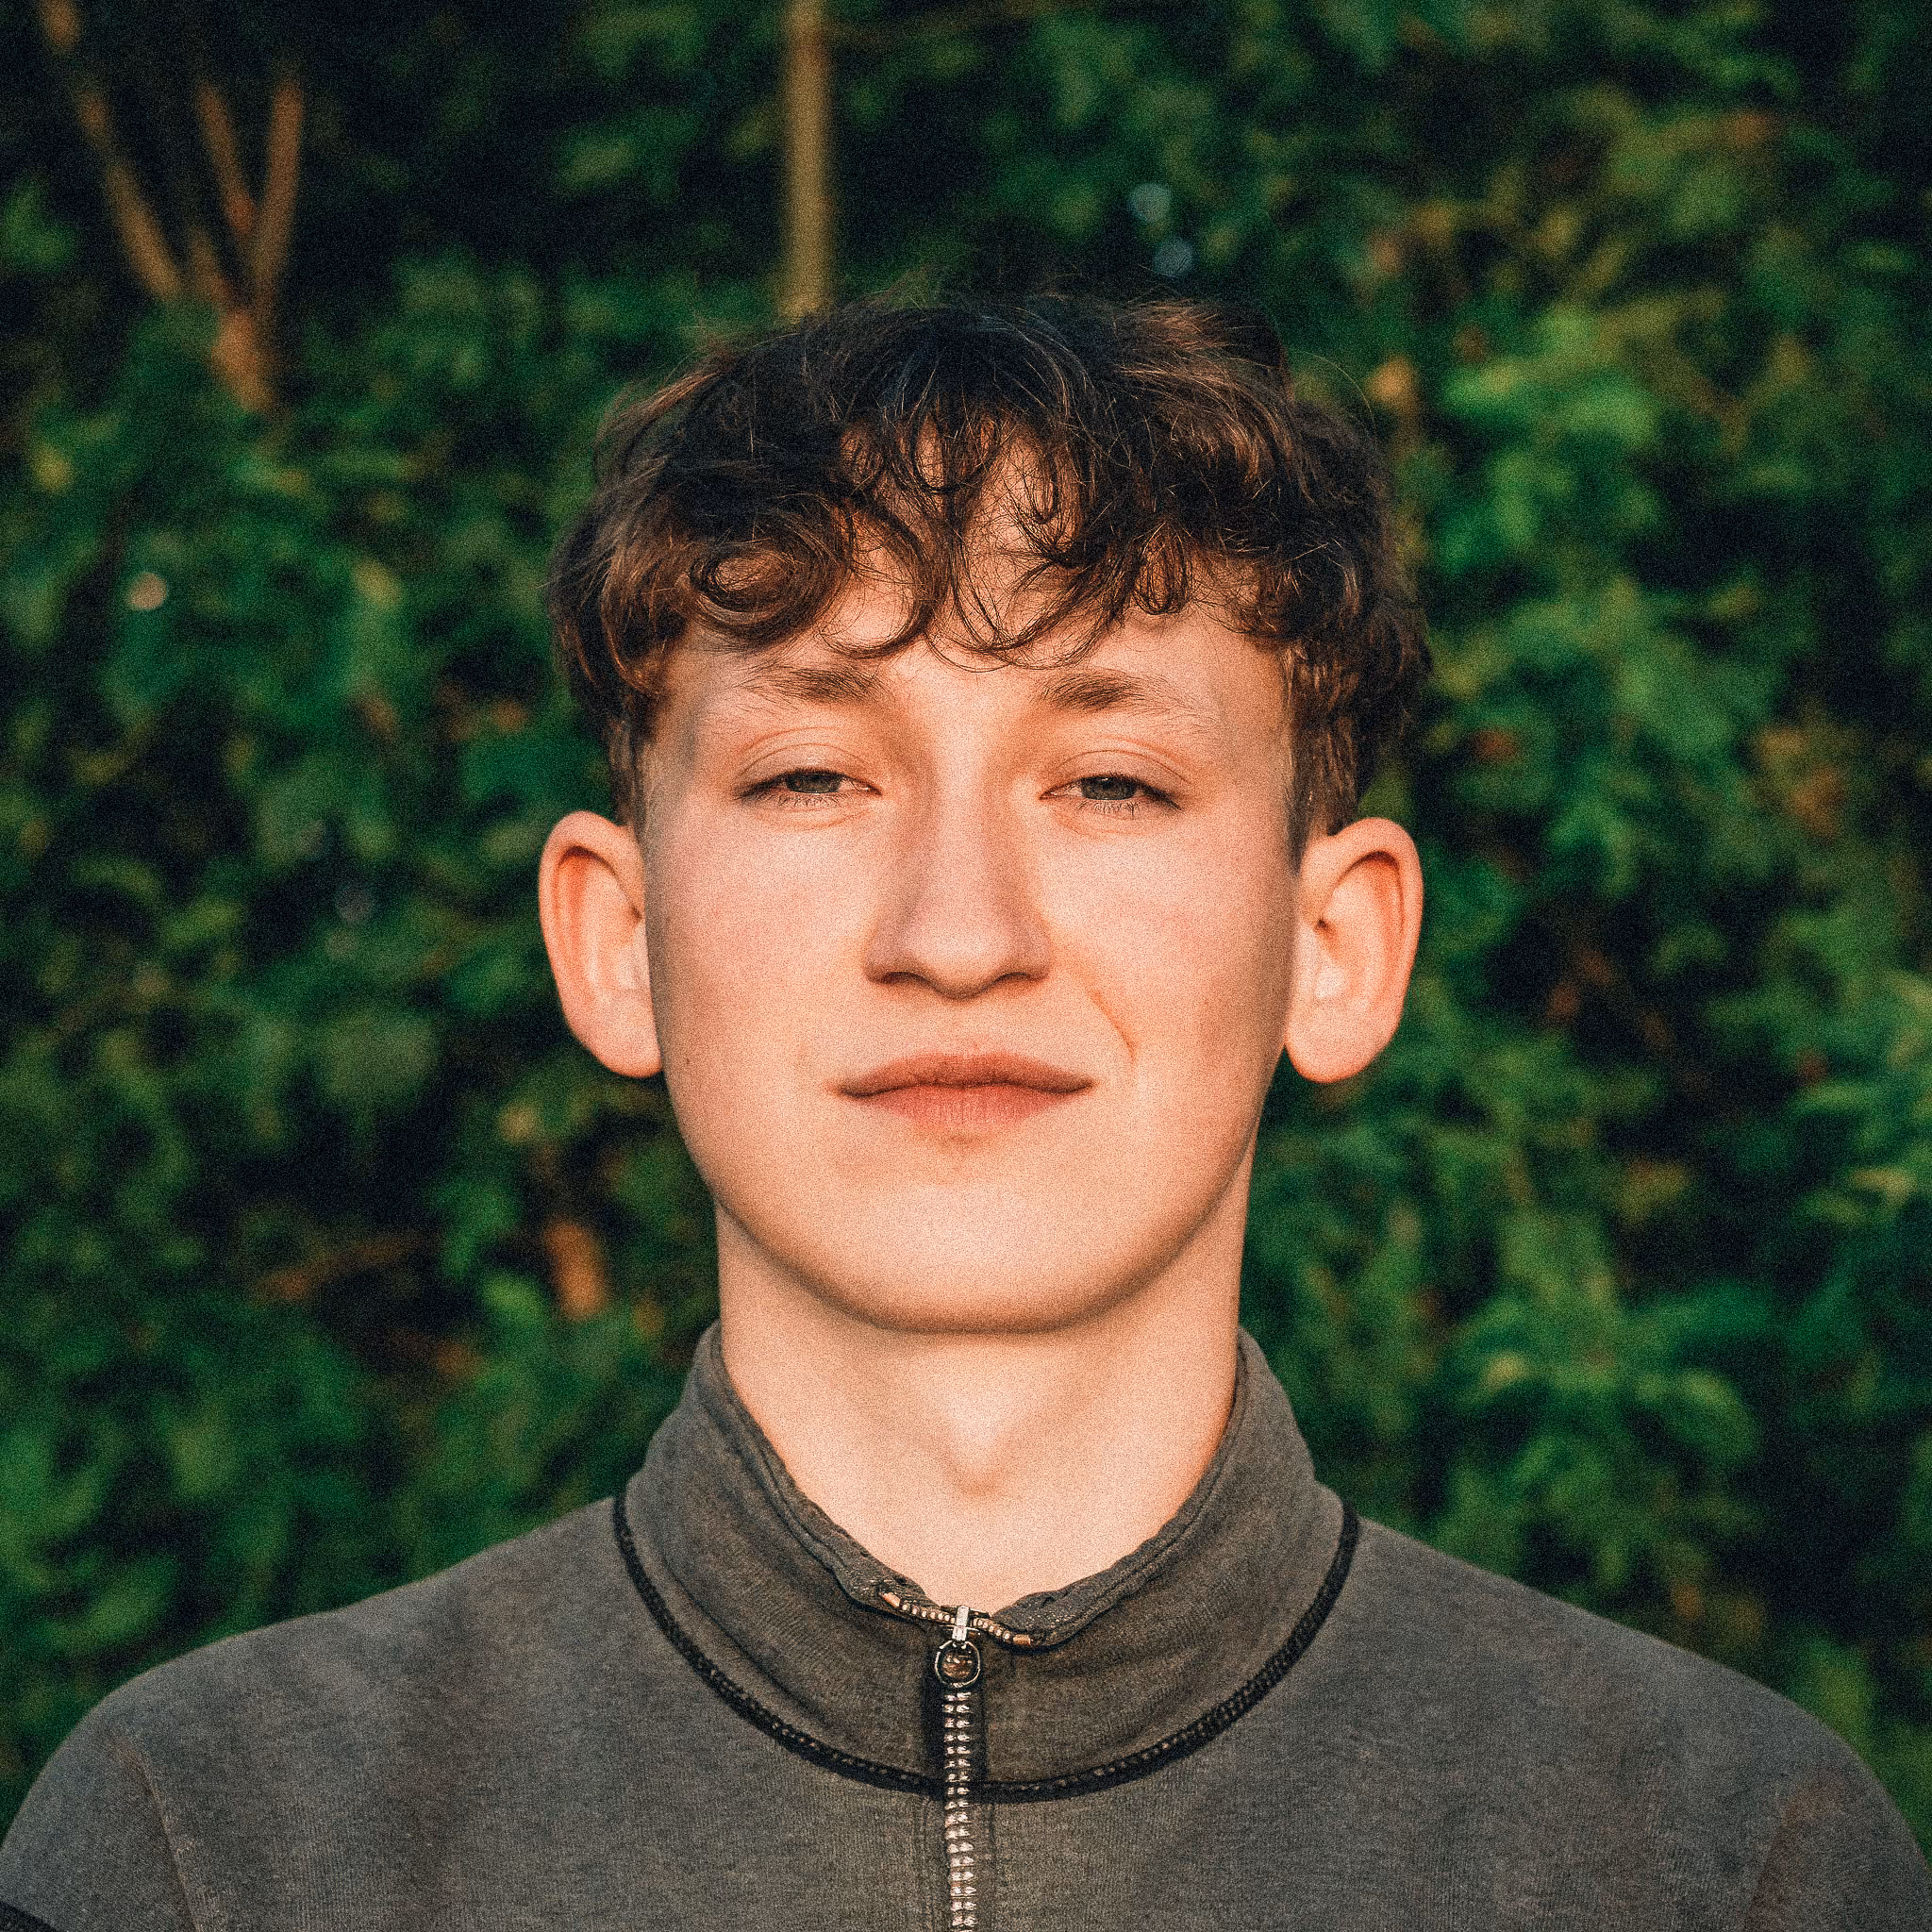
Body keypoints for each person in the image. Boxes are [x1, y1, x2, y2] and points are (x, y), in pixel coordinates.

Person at [2, 295, 1925, 1931]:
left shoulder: (1719, 1861)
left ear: (1334, 945)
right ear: (618, 938)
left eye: (1108, 783)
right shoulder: (217, 1849)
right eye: (818, 776)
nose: (957, 933)